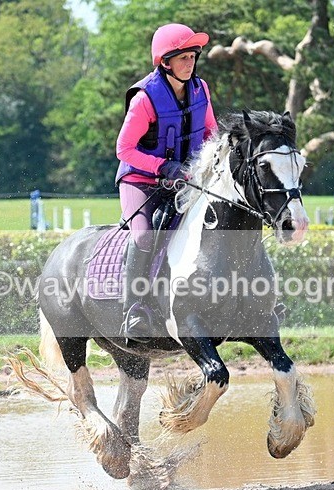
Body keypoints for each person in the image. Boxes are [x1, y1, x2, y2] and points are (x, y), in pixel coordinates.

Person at [115, 23, 217, 338]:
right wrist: (163, 167)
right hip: (140, 181)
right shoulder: (145, 99)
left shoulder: (201, 89)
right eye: (183, 57)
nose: (190, 63)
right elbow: (124, 149)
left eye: (192, 56)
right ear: (165, 62)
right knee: (145, 237)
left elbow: (211, 132)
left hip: (182, 180)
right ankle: (135, 309)